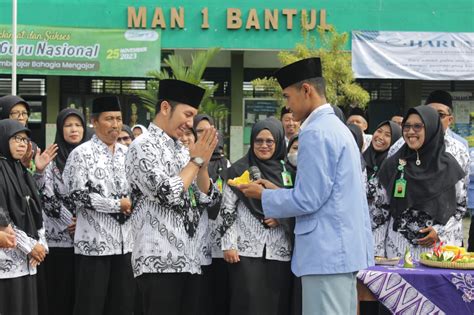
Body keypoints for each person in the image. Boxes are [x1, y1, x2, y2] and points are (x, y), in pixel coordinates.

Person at [237, 57, 374, 315]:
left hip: (326, 253)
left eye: (288, 96)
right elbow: (326, 193)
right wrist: (278, 192)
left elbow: (309, 199)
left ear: (307, 90)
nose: (287, 105)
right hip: (340, 251)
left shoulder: (316, 132)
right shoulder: (338, 128)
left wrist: (264, 196)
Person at [125, 79, 221, 315]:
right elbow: (166, 193)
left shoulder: (183, 148)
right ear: (165, 108)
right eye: (187, 114)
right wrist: (195, 161)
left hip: (192, 259)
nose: (190, 124)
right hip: (159, 261)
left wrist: (203, 165)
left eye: (193, 117)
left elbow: (207, 199)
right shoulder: (141, 146)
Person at [63, 96, 135, 315]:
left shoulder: (128, 153)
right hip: (95, 245)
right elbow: (77, 195)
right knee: (90, 305)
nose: (115, 124)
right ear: (94, 122)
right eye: (109, 119)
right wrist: (117, 205)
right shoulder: (81, 154)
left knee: (123, 305)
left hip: (127, 244)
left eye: (119, 119)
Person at [220, 117, 293, 315]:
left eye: (270, 141)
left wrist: (281, 217)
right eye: (258, 141)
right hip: (245, 251)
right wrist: (229, 244)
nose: (264, 145)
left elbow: (297, 205)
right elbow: (227, 208)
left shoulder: (290, 172)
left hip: (280, 249)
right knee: (247, 303)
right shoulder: (237, 170)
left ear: (278, 142)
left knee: (276, 304)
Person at [378, 106, 467, 260]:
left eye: (418, 126)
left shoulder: (449, 166)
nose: (411, 131)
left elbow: (459, 207)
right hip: (398, 248)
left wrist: (439, 232)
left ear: (432, 127)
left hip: (439, 251)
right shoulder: (392, 164)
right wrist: (378, 253)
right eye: (407, 126)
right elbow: (381, 209)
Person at [34, 108, 87, 315]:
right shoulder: (51, 159)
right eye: (68, 125)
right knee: (60, 293)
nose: (73, 129)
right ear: (60, 129)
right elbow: (46, 196)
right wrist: (70, 222)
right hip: (59, 239)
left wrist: (81, 222)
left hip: (89, 235)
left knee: (83, 295)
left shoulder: (90, 157)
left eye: (78, 125)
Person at [0, 119, 51, 315]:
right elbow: (3, 218)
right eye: (16, 139)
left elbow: (36, 210)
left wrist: (41, 244)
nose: (22, 144)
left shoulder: (22, 171)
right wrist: (30, 246)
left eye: (25, 139)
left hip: (29, 262)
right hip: (8, 260)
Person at [363, 121, 401, 256]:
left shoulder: (394, 167)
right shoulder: (360, 159)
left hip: (381, 233)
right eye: (379, 131)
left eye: (388, 135)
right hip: (357, 229)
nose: (380, 137)